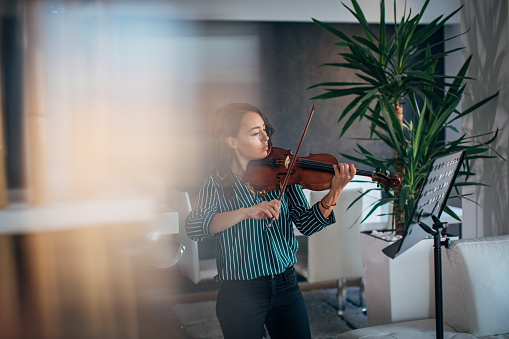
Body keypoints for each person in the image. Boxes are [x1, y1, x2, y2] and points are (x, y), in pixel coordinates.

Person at [185, 103, 356, 339]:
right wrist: (246, 212)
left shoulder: (284, 174)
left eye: (265, 129)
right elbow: (194, 227)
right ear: (232, 141)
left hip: (286, 284)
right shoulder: (214, 185)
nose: (266, 137)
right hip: (239, 292)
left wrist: (334, 192)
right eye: (255, 133)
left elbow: (307, 224)